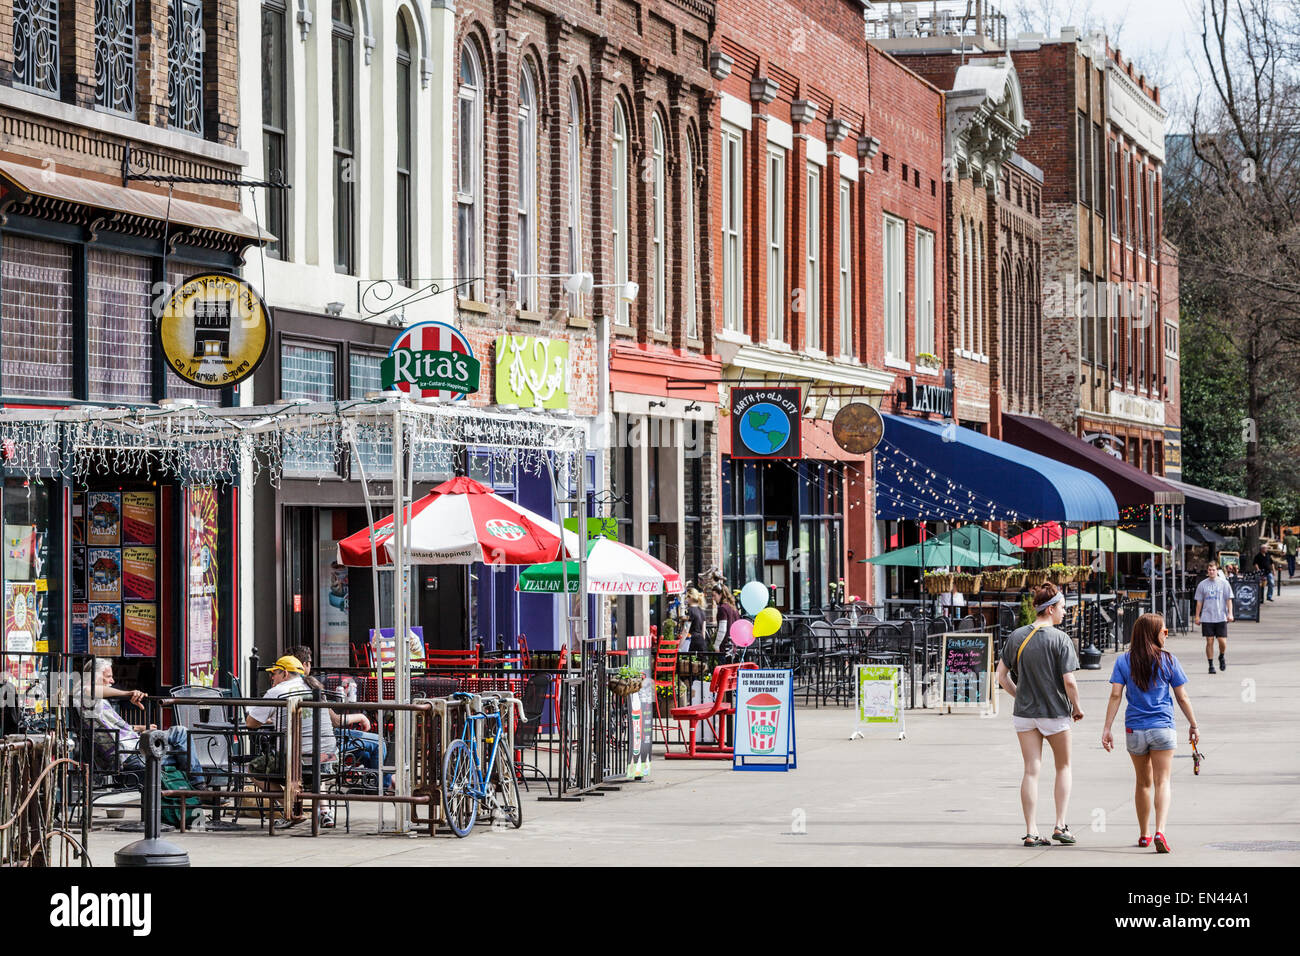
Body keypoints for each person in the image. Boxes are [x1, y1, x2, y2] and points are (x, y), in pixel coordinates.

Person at [994, 582, 1084, 848]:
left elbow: (1000, 676)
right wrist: (1077, 707)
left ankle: (1031, 831)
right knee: (1063, 767)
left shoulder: (1017, 636)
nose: (1065, 613)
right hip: (1055, 713)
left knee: (1031, 771)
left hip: (1025, 715)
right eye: (1063, 608)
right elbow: (1069, 681)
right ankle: (1060, 825)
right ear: (1051, 608)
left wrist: (1020, 695)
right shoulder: (1061, 639)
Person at [1102, 613, 1199, 853]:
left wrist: (1107, 728)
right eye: (1163, 631)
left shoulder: (1124, 661)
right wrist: (1193, 724)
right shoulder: (1168, 660)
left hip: (1135, 729)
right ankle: (1160, 831)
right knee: (1162, 781)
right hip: (1163, 728)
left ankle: (1144, 834)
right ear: (1153, 634)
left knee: (1142, 783)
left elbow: (1115, 695)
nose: (1165, 635)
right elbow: (1182, 696)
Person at [78, 659, 206, 785]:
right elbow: (89, 690)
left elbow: (114, 729)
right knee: (180, 734)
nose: (112, 681)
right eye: (108, 676)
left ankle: (193, 788)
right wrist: (128, 693)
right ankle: (196, 787)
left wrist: (141, 728)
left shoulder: (91, 701)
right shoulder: (85, 695)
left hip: (129, 751)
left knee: (182, 750)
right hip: (131, 756)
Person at [246, 655, 338, 827]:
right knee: (314, 754)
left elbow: (251, 723)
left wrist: (268, 717)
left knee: (252, 768)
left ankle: (292, 809)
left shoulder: (277, 691)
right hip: (329, 760)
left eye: (274, 673)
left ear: (285, 674)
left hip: (293, 764)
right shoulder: (315, 688)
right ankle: (325, 812)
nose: (272, 677)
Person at [286, 645, 389, 790]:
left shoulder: (282, 688)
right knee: (379, 742)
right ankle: (382, 787)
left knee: (366, 753)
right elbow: (336, 721)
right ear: (304, 665)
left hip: (296, 745)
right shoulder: (311, 686)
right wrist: (361, 717)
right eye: (310, 663)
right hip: (324, 743)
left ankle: (377, 783)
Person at [1194, 561, 1234, 674]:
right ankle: (1211, 665)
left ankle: (1221, 656)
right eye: (1209, 570)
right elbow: (1199, 602)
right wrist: (1197, 616)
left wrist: (1230, 613)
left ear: (1217, 571)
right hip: (1207, 617)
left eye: (1213, 570)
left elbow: (1228, 599)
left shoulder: (1224, 583)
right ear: (1207, 571)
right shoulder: (1202, 585)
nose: (1211, 572)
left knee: (1222, 641)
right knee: (1209, 641)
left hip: (1221, 616)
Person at [711, 586, 741, 653]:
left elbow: (722, 630)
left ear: (721, 595)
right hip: (733, 646)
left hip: (725, 647)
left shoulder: (722, 608)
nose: (713, 598)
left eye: (714, 596)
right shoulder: (733, 608)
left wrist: (716, 645)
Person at [682, 588, 708, 653]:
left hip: (692, 642)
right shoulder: (702, 611)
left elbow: (686, 630)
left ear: (690, 597)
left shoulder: (689, 611)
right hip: (701, 642)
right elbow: (703, 631)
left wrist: (680, 645)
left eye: (686, 598)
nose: (686, 600)